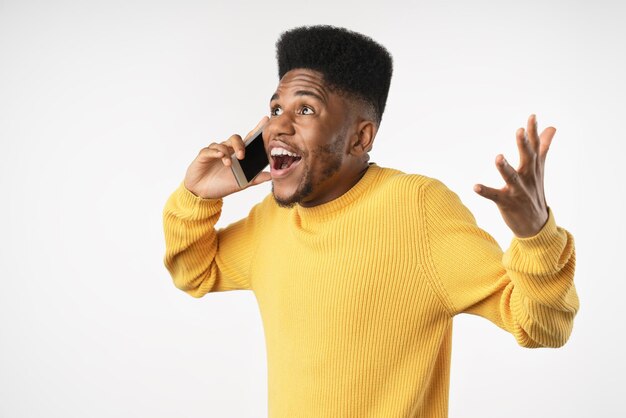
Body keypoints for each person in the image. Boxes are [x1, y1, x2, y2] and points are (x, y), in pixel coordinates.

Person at [162, 25, 579, 418]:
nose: (277, 126)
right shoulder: (271, 220)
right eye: (275, 108)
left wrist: (536, 235)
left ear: (360, 138)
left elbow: (543, 326)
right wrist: (196, 197)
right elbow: (193, 273)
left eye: (305, 108)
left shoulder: (416, 208)